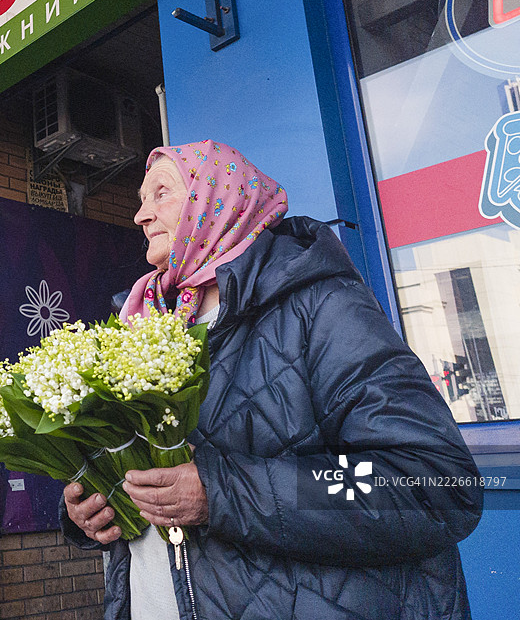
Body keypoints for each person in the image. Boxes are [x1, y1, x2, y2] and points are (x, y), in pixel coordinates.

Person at [61, 140, 482, 620]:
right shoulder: (145, 326)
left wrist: (221, 492)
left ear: (217, 200)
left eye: (161, 194)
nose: (140, 215)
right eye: (141, 199)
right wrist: (92, 509)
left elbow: (437, 484)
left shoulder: (319, 306)